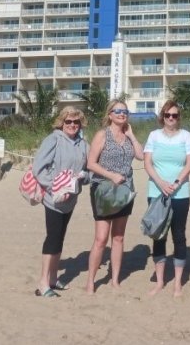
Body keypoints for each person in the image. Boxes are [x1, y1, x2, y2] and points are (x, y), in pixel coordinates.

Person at [84, 99, 144, 293]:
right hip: (103, 189)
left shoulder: (127, 137)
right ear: (109, 114)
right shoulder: (102, 135)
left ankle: (115, 280)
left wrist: (132, 135)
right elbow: (91, 163)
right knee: (101, 238)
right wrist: (111, 175)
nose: (122, 114)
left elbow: (141, 156)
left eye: (125, 111)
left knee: (118, 237)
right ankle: (91, 281)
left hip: (125, 190)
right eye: (117, 111)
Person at [31, 106, 89, 298]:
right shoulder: (53, 139)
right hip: (53, 200)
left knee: (60, 238)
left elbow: (88, 169)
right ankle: (43, 282)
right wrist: (54, 187)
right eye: (68, 122)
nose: (72, 125)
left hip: (70, 200)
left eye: (76, 122)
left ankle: (54, 278)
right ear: (62, 123)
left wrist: (83, 177)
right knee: (52, 238)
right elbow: (39, 167)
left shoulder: (82, 143)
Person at [143, 100, 190, 296]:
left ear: (178, 117)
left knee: (179, 235)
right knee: (159, 235)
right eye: (168, 115)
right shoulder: (153, 136)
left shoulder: (185, 136)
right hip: (156, 192)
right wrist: (160, 183)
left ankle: (177, 284)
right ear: (162, 117)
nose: (171, 118)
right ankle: (159, 282)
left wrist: (175, 182)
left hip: (180, 192)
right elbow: (148, 163)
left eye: (174, 115)